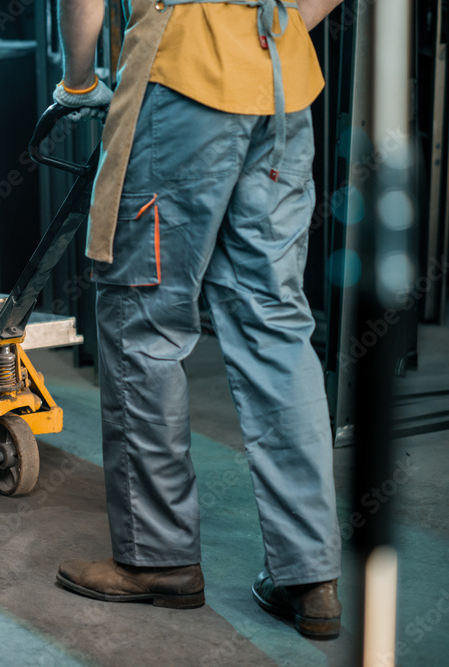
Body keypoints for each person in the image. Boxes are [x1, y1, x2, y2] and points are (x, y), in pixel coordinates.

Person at [51, 0, 346, 639]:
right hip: (283, 90)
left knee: (142, 319)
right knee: (276, 325)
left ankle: (157, 559)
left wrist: (77, 81)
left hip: (182, 87)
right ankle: (310, 577)